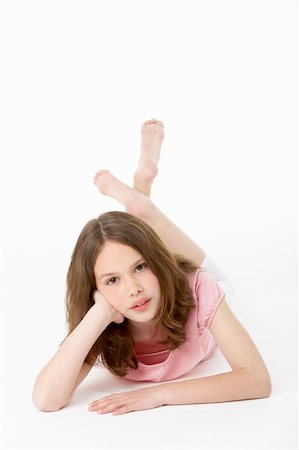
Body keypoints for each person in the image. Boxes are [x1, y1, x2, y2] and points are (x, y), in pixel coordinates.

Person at [32, 119, 271, 415]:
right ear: (96, 290)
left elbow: (257, 379)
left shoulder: (199, 287)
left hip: (193, 281)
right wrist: (101, 313)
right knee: (134, 244)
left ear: (156, 262)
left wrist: (157, 395)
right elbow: (46, 399)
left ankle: (144, 209)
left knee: (213, 278)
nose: (134, 289)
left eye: (140, 267)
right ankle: (140, 196)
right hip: (144, 282)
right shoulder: (102, 322)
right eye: (111, 281)